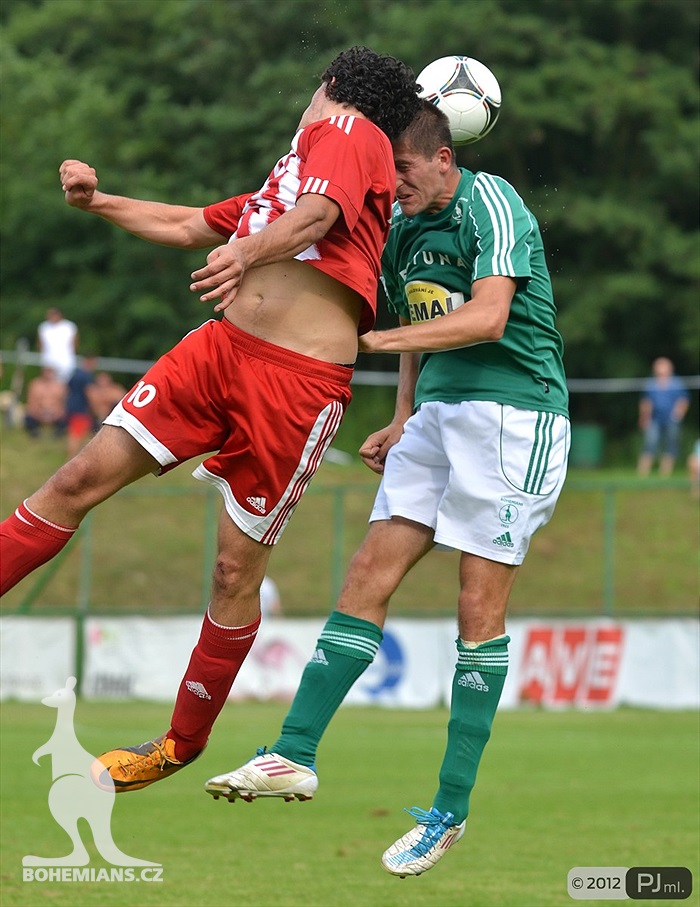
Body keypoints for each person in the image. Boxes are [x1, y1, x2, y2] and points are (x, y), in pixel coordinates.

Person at [0, 46, 421, 788]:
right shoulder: (292, 173)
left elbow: (317, 218)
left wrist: (246, 252)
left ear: (330, 87)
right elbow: (189, 222)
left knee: (234, 570)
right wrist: (97, 201)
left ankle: (179, 744)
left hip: (294, 385)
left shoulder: (351, 134)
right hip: (217, 352)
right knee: (74, 480)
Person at [204, 101, 570, 879]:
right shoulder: (400, 229)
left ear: (444, 158)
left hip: (516, 416)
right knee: (366, 574)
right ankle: (293, 752)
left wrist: (377, 339)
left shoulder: (491, 200)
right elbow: (414, 313)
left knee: (477, 607)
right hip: (436, 415)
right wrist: (403, 413)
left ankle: (450, 807)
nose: (392, 184)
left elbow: (489, 316)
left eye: (401, 170)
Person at [637, 357, 690, 477]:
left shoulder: (676, 383)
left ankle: (665, 473)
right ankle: (642, 473)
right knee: (650, 443)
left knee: (671, 444)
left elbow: (684, 399)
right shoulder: (651, 383)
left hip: (672, 419)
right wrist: (644, 417)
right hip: (654, 418)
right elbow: (646, 402)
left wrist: (678, 414)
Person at [65, 355, 97, 458]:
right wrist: (95, 409)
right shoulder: (86, 376)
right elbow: (90, 393)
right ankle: (71, 457)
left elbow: (67, 389)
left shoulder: (75, 374)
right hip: (81, 409)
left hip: (71, 406)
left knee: (77, 432)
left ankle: (74, 456)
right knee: (76, 434)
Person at [23, 366, 67, 439]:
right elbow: (31, 401)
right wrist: (37, 413)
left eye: (50, 372)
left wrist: (57, 413)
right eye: (47, 372)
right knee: (29, 417)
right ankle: (34, 432)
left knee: (65, 418)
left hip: (55, 412)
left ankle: (58, 434)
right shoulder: (35, 384)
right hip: (38, 411)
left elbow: (63, 403)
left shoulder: (60, 386)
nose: (48, 374)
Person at [37, 307, 78, 384]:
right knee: (49, 382)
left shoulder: (69, 326)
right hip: (48, 360)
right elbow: (40, 343)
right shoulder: (43, 327)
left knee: (64, 382)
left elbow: (74, 343)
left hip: (65, 361)